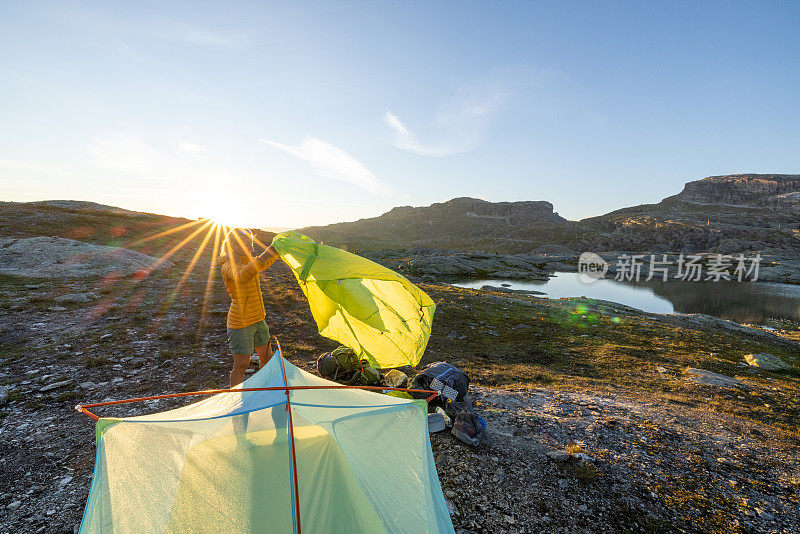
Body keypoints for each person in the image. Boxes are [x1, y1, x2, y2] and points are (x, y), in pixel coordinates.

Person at [218, 228, 280, 387]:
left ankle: (266, 388)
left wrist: (278, 250)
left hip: (259, 319)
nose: (251, 248)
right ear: (233, 245)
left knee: (267, 358)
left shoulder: (247, 260)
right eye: (247, 244)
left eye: (251, 244)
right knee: (242, 365)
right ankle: (236, 400)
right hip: (240, 323)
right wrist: (265, 254)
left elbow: (261, 264)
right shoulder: (228, 264)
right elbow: (241, 276)